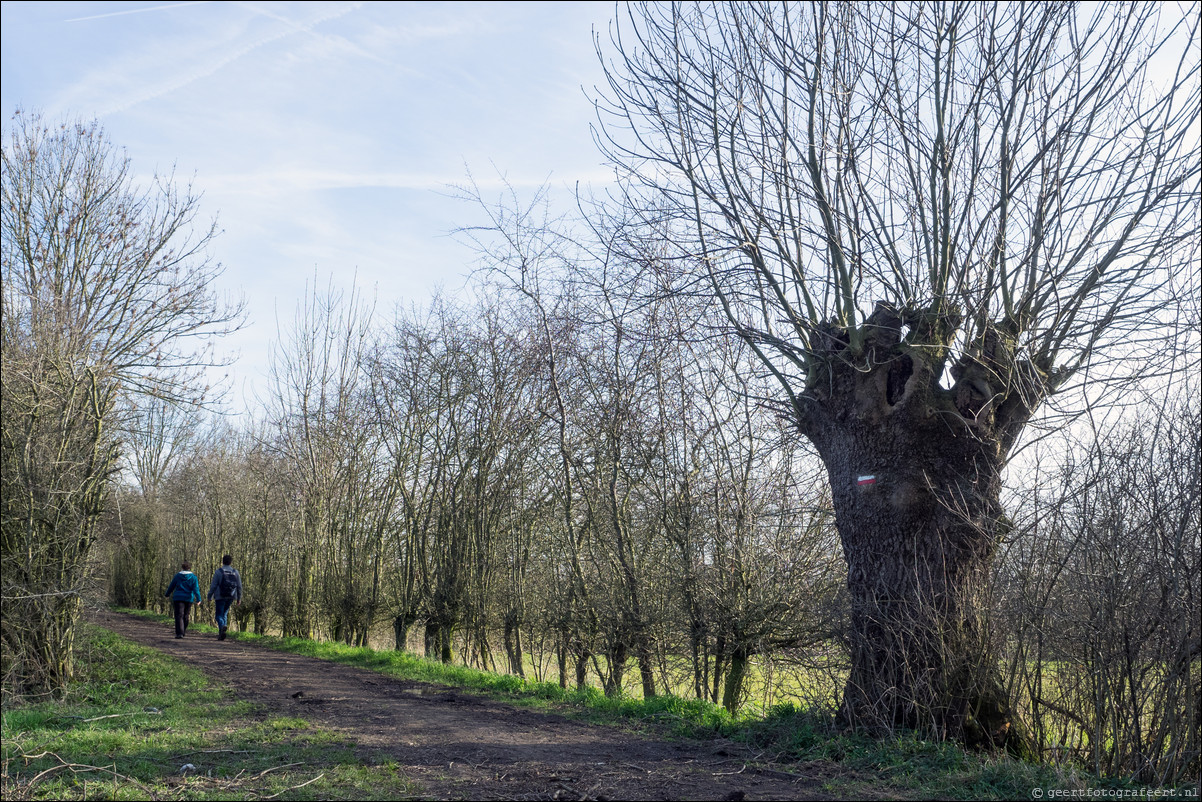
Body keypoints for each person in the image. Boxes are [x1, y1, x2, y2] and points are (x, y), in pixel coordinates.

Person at [207, 554, 243, 641]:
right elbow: (239, 586)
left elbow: (213, 585)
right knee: (225, 613)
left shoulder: (218, 572)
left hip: (220, 596)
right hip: (231, 596)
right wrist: (239, 598)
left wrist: (209, 596)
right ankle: (222, 632)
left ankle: (222, 627)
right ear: (230, 562)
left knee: (219, 615)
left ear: (223, 561)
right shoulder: (235, 572)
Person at [164, 561, 203, 639]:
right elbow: (196, 589)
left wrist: (167, 594)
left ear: (182, 568)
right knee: (186, 615)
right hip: (188, 598)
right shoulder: (193, 577)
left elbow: (172, 586)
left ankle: (179, 633)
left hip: (178, 598)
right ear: (190, 568)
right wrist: (198, 599)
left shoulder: (177, 576)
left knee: (179, 615)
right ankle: (183, 631)